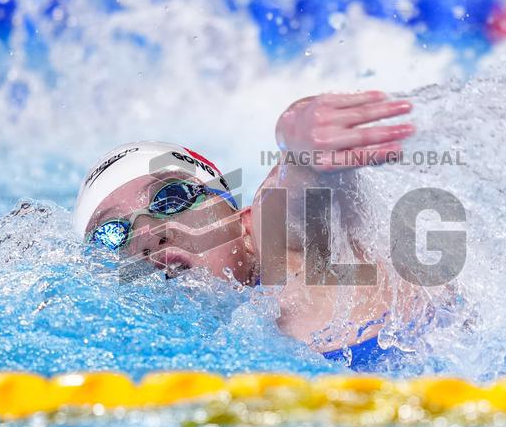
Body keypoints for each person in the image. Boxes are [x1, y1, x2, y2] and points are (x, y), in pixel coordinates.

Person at [72, 91, 441, 371]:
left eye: (172, 198)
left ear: (243, 224)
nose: (146, 233)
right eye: (112, 234)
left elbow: (294, 195)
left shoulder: (288, 261)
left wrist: (301, 150)